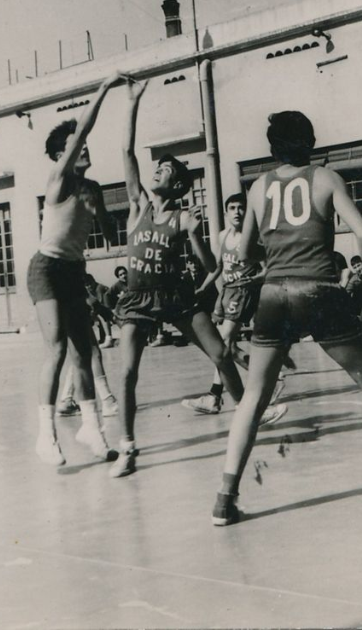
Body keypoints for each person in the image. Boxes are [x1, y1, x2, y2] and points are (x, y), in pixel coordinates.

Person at [212, 111, 362, 526]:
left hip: (272, 294)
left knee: (254, 396)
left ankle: (225, 499)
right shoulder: (326, 178)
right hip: (318, 289)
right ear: (311, 141)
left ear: (271, 146)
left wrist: (278, 255)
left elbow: (245, 253)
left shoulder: (258, 187)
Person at [109, 78, 248, 479]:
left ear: (179, 184)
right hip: (137, 298)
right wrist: (132, 103)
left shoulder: (184, 218)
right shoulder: (137, 207)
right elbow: (125, 151)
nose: (157, 171)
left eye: (166, 169)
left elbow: (210, 265)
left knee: (220, 354)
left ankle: (246, 415)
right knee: (127, 372)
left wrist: (193, 233)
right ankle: (128, 447)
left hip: (175, 296)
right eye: (158, 167)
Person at [26, 72, 123, 467]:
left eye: (83, 146)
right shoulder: (58, 179)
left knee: (85, 351)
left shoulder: (93, 188)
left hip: (73, 270)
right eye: (74, 146)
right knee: (58, 349)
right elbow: (83, 127)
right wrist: (102, 88)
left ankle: (91, 429)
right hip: (46, 269)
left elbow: (106, 229)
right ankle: (45, 435)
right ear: (60, 156)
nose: (83, 149)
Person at [181, 194, 289, 419]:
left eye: (241, 208)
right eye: (232, 208)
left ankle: (214, 396)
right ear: (226, 212)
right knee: (225, 348)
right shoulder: (223, 235)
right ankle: (273, 378)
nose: (237, 212)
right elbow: (218, 266)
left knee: (223, 343)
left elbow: (271, 266)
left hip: (244, 291)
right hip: (226, 291)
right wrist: (203, 287)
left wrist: (257, 279)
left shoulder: (253, 238)